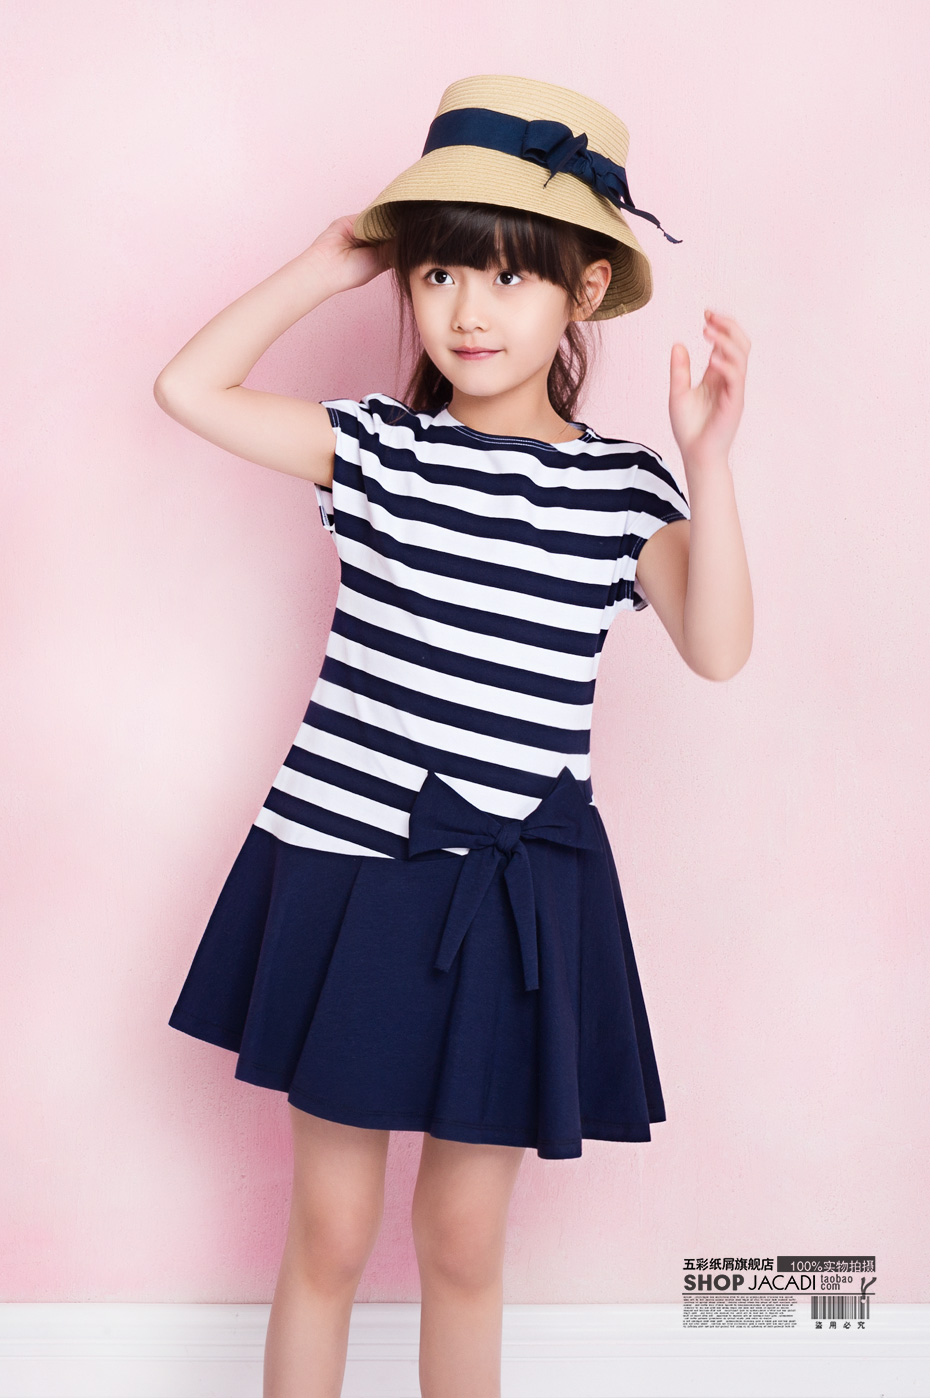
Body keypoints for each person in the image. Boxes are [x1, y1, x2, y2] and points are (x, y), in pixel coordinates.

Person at [154, 74, 752, 1398]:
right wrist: (325, 265)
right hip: (351, 869)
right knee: (328, 1231)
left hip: (512, 892)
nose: (468, 311)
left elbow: (717, 647)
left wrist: (707, 465)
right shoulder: (378, 451)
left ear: (585, 290)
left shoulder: (619, 486)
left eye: (508, 276)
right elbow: (186, 386)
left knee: (463, 1241)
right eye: (436, 274)